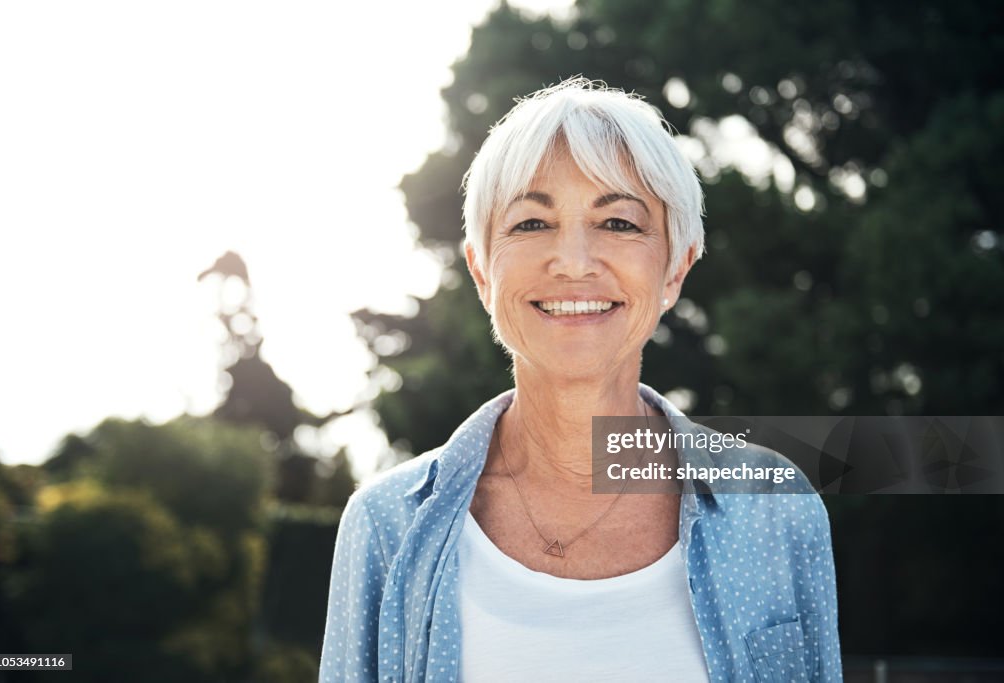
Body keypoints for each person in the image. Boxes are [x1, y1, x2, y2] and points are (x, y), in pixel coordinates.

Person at [319, 77, 842, 682]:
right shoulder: (386, 524)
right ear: (482, 272)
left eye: (619, 223)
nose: (572, 261)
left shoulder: (775, 508)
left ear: (675, 269)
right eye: (531, 224)